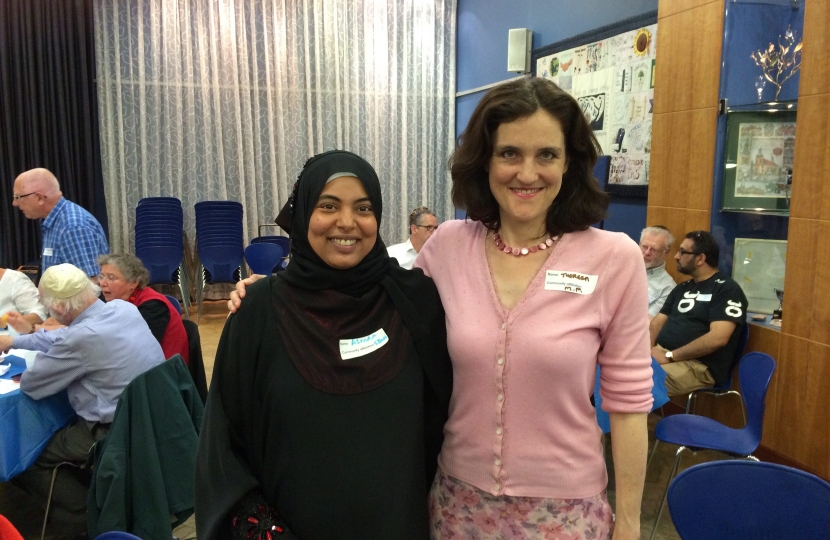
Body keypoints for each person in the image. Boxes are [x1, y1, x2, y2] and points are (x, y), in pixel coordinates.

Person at [228, 80, 653, 540]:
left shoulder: (613, 259)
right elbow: (371, 298)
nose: (527, 173)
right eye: (510, 153)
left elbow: (628, 404)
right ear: (485, 161)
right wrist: (277, 293)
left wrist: (629, 523)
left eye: (546, 154)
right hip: (458, 507)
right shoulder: (450, 245)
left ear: (569, 162)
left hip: (566, 512)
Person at [196, 151, 452, 540]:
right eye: (328, 206)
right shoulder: (258, 313)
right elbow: (223, 449)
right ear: (303, 215)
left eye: (363, 208)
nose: (347, 222)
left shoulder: (417, 302)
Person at [0, 263, 165, 536]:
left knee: (25, 452)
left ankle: (84, 517)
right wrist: (14, 342)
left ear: (59, 307)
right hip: (151, 418)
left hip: (111, 433)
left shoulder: (78, 339)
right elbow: (63, 336)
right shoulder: (123, 309)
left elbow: (32, 384)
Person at [650, 230, 748, 397]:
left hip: (697, 366)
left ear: (701, 259)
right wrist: (649, 350)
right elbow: (656, 324)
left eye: (683, 252)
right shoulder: (682, 288)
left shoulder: (727, 290)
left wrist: (670, 356)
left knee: (636, 381)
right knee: (612, 368)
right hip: (663, 353)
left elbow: (718, 338)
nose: (676, 256)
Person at [12, 168, 109, 278]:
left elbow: (90, 282)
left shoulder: (72, 227)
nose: (15, 203)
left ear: (39, 198)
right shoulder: (52, 221)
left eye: (18, 197)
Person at [97, 253, 189, 364]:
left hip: (162, 369)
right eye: (101, 277)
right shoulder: (106, 298)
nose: (102, 283)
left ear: (133, 282)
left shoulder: (153, 306)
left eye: (111, 278)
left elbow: (139, 349)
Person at [640, 225, 677, 320]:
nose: (647, 252)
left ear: (666, 253)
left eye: (653, 249)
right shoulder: (622, 267)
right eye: (644, 247)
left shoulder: (668, 288)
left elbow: (647, 323)